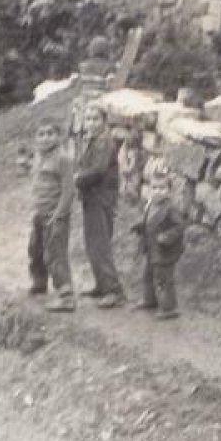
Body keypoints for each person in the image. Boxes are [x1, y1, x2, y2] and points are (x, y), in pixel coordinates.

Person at [75, 103, 125, 308]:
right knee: (92, 242)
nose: (91, 123)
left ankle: (114, 290)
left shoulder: (104, 142)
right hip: (91, 197)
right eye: (88, 119)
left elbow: (98, 170)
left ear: (104, 122)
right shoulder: (90, 141)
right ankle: (102, 284)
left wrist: (76, 178)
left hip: (101, 197)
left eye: (96, 119)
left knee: (100, 243)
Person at [28, 117, 76, 313]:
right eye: (41, 134)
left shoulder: (62, 159)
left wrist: (59, 215)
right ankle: (40, 282)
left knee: (55, 253)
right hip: (39, 213)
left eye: (50, 133)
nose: (46, 138)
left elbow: (68, 190)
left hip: (55, 215)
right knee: (35, 249)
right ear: (36, 138)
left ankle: (66, 296)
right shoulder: (39, 156)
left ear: (58, 136)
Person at [130, 162, 185, 320]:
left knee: (163, 279)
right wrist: (139, 226)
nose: (157, 192)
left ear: (169, 191)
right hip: (151, 248)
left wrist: (167, 236)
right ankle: (150, 300)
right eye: (154, 188)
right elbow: (148, 221)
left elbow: (179, 226)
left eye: (162, 188)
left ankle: (169, 307)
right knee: (148, 275)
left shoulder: (171, 208)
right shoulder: (150, 205)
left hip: (164, 250)